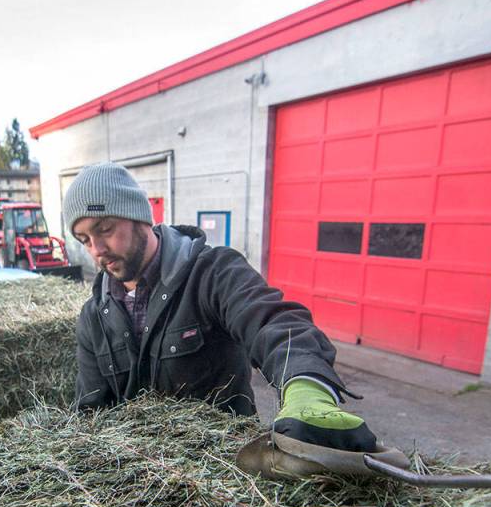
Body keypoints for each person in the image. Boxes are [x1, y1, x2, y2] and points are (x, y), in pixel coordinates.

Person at [65, 162, 388, 464]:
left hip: (223, 467)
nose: (96, 249)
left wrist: (307, 388)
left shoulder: (212, 272)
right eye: (84, 239)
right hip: (144, 478)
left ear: (140, 218)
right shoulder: (95, 315)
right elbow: (92, 409)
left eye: (105, 229)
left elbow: (273, 322)